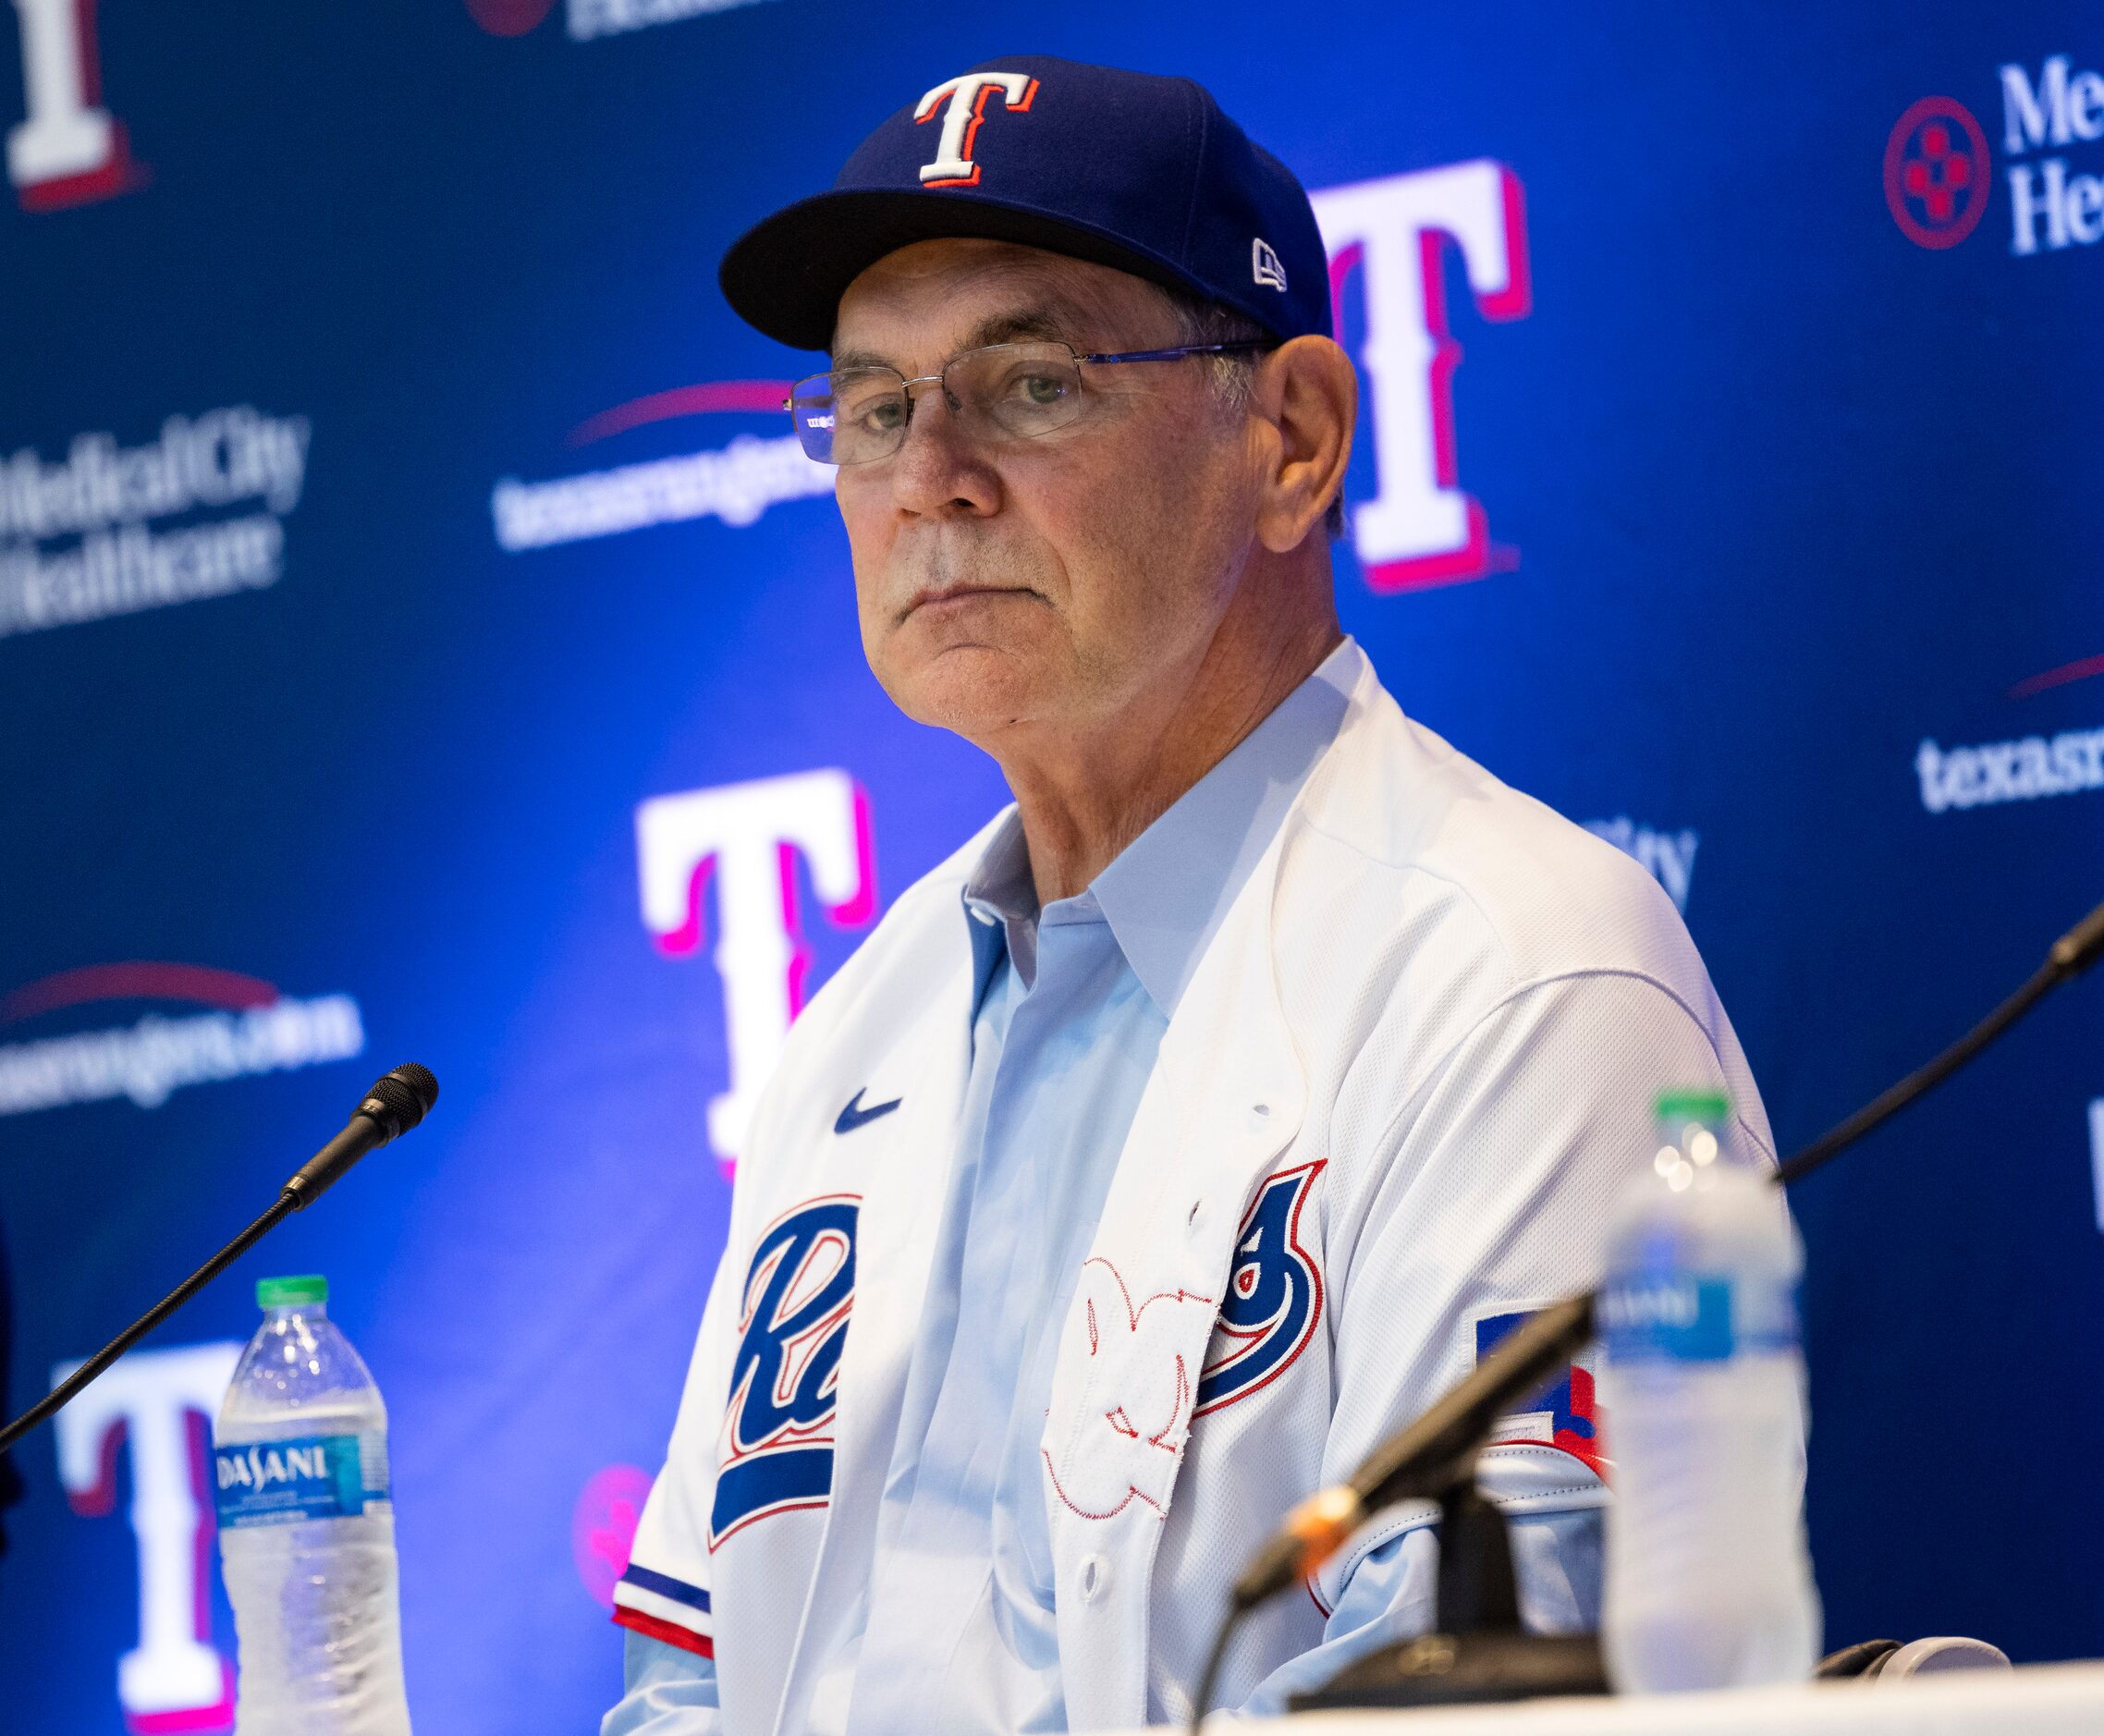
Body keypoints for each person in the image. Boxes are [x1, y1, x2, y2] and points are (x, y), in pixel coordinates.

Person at [605, 55, 1778, 1734]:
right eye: (873, 409)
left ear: (1292, 440)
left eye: (1030, 384)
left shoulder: (1523, 975)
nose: (929, 474)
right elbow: (687, 1682)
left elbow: (1499, 1689)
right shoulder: (848, 1037)